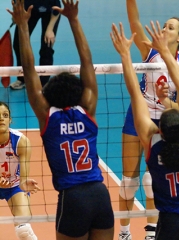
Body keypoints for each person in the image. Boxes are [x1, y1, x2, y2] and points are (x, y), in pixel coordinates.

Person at [7, 0, 114, 239]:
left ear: (49, 94)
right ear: (78, 91)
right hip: (100, 194)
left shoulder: (47, 116)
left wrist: (23, 27)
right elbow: (87, 62)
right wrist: (74, 20)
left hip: (73, 198)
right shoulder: (88, 107)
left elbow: (28, 68)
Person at [110, 21, 179, 240]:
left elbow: (135, 94)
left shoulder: (155, 148)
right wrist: (167, 56)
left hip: (170, 224)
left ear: (160, 131)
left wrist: (125, 55)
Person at [0, 101, 40, 240]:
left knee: (24, 230)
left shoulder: (21, 141)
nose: (1, 118)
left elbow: (23, 177)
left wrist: (24, 183)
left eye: (5, 115)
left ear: (10, 119)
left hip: (14, 186)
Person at [10, 0, 61, 90]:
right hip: (29, 11)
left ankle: (43, 84)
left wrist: (50, 30)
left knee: (47, 47)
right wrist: (16, 16)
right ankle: (22, 79)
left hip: (50, 13)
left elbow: (56, 10)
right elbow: (16, 5)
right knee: (18, 44)